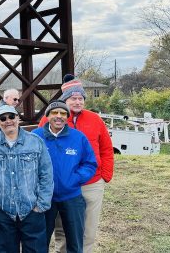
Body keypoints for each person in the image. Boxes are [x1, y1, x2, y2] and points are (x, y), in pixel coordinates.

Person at [39, 74, 114, 253]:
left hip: (91, 183)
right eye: (73, 98)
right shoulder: (50, 120)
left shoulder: (95, 119)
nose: (78, 102)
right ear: (65, 100)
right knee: (62, 229)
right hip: (61, 185)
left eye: (81, 98)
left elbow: (106, 148)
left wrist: (105, 175)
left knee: (88, 228)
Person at [0, 105, 53, 253]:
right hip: (4, 212)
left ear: (18, 118)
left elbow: (46, 174)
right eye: (3, 118)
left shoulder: (35, 141)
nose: (8, 121)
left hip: (32, 210)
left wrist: (41, 205)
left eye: (11, 117)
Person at [32, 100, 97, 253]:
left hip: (72, 196)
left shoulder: (78, 137)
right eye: (55, 113)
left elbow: (90, 163)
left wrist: (74, 179)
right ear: (47, 116)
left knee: (75, 241)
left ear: (67, 117)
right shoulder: (35, 136)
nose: (59, 116)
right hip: (43, 198)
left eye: (63, 113)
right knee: (40, 241)